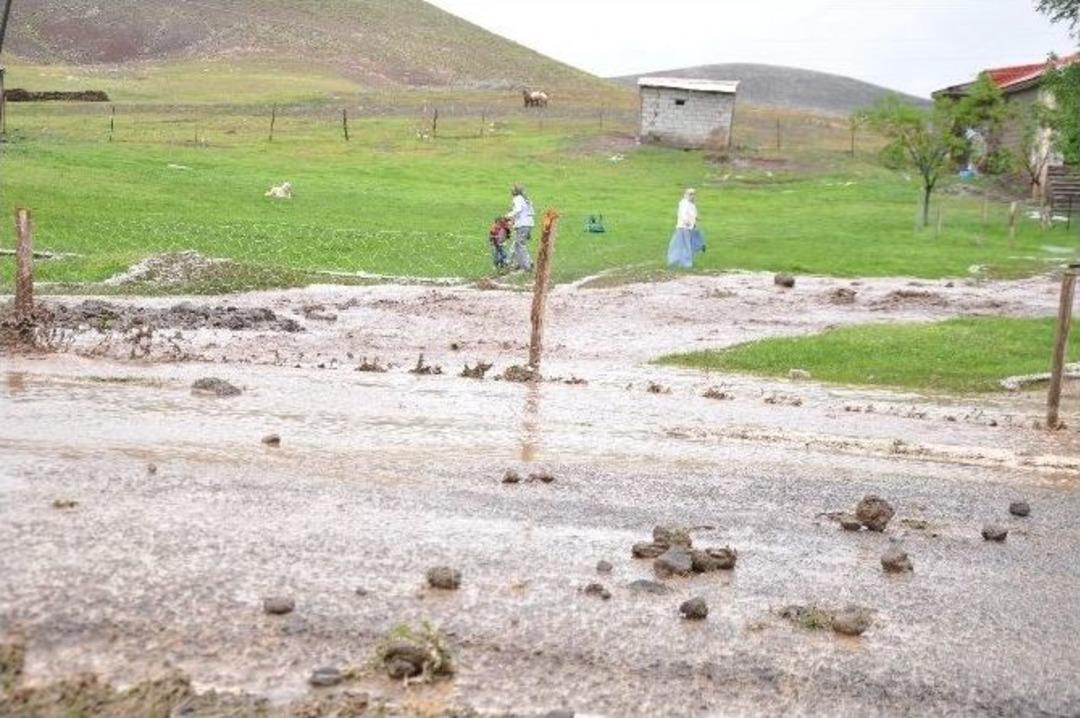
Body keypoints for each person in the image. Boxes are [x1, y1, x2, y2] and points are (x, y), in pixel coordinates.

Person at [667, 188, 705, 269]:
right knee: (684, 245)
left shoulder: (691, 204)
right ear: (685, 194)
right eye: (690, 194)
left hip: (690, 227)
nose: (692, 196)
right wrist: (686, 221)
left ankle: (681, 261)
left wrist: (696, 218)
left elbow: (692, 214)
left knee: (689, 244)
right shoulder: (684, 203)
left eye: (693, 194)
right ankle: (685, 263)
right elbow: (682, 213)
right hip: (684, 227)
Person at [506, 184, 535, 272]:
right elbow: (531, 212)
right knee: (518, 244)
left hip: (523, 224)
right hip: (528, 224)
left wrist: (508, 215)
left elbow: (518, 209)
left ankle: (527, 265)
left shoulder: (517, 198)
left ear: (515, 191)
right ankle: (518, 263)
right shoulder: (525, 199)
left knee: (520, 244)